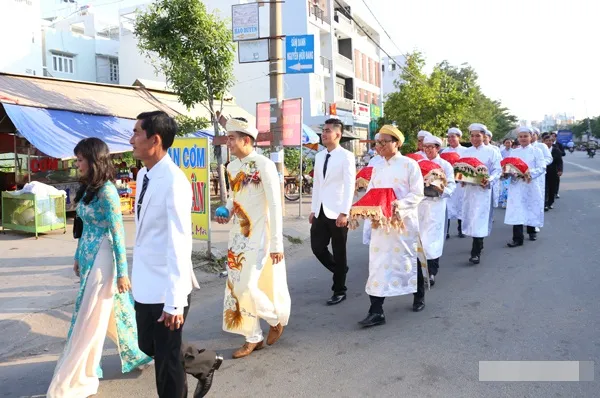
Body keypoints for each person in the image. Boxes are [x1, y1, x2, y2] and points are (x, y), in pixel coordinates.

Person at [48, 138, 152, 398]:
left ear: (94, 161)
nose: (77, 163)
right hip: (88, 259)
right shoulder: (88, 189)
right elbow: (83, 229)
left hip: (103, 261)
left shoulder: (107, 192)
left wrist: (122, 273)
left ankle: (82, 375)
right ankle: (141, 353)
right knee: (116, 313)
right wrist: (77, 256)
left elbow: (118, 234)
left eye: (81, 159)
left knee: (89, 318)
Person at [130, 111, 222, 398]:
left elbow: (180, 243)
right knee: (148, 346)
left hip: (166, 288)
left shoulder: (174, 182)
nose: (130, 139)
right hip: (145, 284)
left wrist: (174, 303)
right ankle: (203, 361)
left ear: (154, 140)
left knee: (167, 365)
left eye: (136, 133)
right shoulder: (144, 174)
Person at [216, 118, 291, 359]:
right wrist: (227, 211)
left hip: (260, 234)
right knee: (237, 287)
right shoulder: (231, 167)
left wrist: (277, 243)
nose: (228, 142)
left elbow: (276, 206)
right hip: (238, 235)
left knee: (247, 285)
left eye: (231, 138)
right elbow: (234, 197)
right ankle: (253, 337)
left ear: (245, 140)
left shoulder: (264, 165)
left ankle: (274, 319)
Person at [358, 125, 425, 328]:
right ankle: (376, 310)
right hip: (381, 224)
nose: (379, 146)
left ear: (396, 143)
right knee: (377, 265)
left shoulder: (409, 165)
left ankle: (418, 294)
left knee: (406, 259)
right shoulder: (376, 166)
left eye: (384, 142)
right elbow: (371, 192)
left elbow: (417, 193)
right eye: (377, 142)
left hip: (401, 222)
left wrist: (398, 205)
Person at [310, 118, 356, 306]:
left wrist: (344, 212)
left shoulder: (346, 156)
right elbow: (317, 184)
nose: (324, 133)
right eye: (323, 130)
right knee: (317, 247)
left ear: (338, 134)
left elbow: (350, 185)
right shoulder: (320, 156)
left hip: (338, 211)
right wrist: (313, 209)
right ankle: (340, 270)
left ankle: (339, 290)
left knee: (339, 250)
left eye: (328, 130)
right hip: (321, 210)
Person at [460, 123, 501, 265]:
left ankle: (475, 252)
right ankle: (479, 242)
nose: (475, 138)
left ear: (484, 136)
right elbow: (460, 170)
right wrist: (461, 179)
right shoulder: (466, 152)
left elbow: (497, 170)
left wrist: (489, 180)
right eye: (472, 136)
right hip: (469, 191)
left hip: (483, 192)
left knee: (480, 219)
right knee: (472, 218)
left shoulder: (492, 152)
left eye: (478, 135)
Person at [420, 134, 456, 286]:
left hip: (436, 205)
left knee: (433, 240)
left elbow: (451, 186)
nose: (428, 150)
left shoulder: (445, 165)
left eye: (431, 147)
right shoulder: (418, 164)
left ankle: (432, 271)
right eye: (425, 147)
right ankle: (420, 270)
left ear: (438, 148)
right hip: (420, 205)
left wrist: (440, 189)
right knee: (420, 238)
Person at [505, 127, 546, 246]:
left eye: (525, 136)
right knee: (517, 209)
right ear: (518, 138)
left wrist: (528, 174)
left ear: (531, 137)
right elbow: (508, 166)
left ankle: (532, 231)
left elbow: (542, 167)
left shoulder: (536, 151)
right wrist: (508, 172)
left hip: (530, 184)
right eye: (520, 136)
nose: (523, 139)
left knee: (530, 206)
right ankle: (517, 238)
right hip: (516, 185)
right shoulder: (514, 151)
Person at [442, 127, 466, 239]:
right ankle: (446, 231)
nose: (451, 139)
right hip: (448, 182)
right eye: (449, 137)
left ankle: (461, 229)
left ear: (459, 138)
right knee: (447, 206)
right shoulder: (444, 151)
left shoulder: (465, 151)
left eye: (453, 136)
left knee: (461, 205)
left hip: (461, 182)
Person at [543, 133, 563, 210]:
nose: (549, 142)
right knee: (545, 188)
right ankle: (544, 203)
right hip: (542, 172)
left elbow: (559, 161)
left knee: (552, 188)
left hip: (553, 172)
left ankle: (550, 202)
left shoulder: (556, 150)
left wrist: (560, 170)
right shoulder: (540, 150)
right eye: (547, 140)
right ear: (543, 141)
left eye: (550, 140)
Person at [498, 138, 514, 209]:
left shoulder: (514, 151)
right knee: (504, 187)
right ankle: (504, 201)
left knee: (511, 187)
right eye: (506, 142)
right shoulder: (501, 152)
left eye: (509, 142)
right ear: (504, 143)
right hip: (504, 171)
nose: (508, 144)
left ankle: (510, 201)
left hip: (512, 170)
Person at [550, 132, 565, 198]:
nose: (552, 138)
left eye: (553, 136)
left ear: (556, 137)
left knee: (556, 179)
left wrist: (558, 152)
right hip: (549, 164)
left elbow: (563, 153)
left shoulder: (559, 144)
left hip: (556, 163)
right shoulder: (545, 144)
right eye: (551, 136)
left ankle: (556, 192)